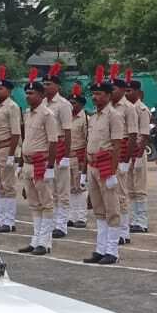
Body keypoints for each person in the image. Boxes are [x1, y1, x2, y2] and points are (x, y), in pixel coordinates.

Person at [83, 67, 125, 265]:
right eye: (93, 94)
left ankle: (112, 250)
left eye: (99, 94)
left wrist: (113, 172)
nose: (95, 97)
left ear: (109, 96)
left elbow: (117, 145)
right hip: (92, 165)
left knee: (112, 209)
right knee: (98, 209)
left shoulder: (114, 116)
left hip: (106, 165)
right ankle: (100, 248)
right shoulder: (93, 116)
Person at [18, 69, 60, 256]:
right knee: (34, 204)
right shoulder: (28, 113)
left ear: (42, 95)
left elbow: (53, 141)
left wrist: (50, 166)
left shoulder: (47, 114)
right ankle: (35, 240)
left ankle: (45, 241)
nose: (28, 96)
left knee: (46, 203)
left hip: (41, 163)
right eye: (26, 93)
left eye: (31, 93)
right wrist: (20, 163)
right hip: (28, 163)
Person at [43, 64, 74, 239]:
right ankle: (53, 221)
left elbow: (68, 131)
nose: (46, 87)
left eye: (49, 84)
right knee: (50, 188)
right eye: (45, 84)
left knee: (62, 189)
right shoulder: (42, 103)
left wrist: (66, 156)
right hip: (47, 147)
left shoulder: (63, 105)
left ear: (57, 86)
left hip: (60, 145)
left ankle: (61, 224)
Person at [106, 66, 136, 244]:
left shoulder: (128, 108)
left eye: (114, 89)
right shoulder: (108, 107)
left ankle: (124, 231)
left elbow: (132, 134)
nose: (111, 92)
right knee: (110, 194)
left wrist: (126, 160)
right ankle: (114, 229)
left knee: (121, 193)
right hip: (108, 151)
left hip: (122, 149)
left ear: (123, 90)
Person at [0, 66, 22, 233]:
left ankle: (9, 221)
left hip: (5, 148)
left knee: (8, 186)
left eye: (1, 88)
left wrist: (11, 155)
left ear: (8, 90)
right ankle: (2, 219)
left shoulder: (12, 107)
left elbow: (16, 132)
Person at [125, 74, 152, 235]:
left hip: (137, 153)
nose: (126, 94)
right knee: (130, 189)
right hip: (127, 153)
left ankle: (141, 221)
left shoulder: (142, 110)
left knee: (139, 189)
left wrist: (137, 156)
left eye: (129, 90)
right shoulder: (126, 109)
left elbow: (144, 135)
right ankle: (133, 219)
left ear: (137, 92)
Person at [68, 84, 90, 229]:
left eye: (74, 103)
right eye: (70, 102)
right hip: (67, 156)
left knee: (80, 188)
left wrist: (84, 161)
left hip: (79, 155)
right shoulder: (66, 118)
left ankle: (81, 217)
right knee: (69, 188)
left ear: (81, 104)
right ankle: (71, 216)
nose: (71, 105)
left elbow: (88, 140)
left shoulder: (85, 118)